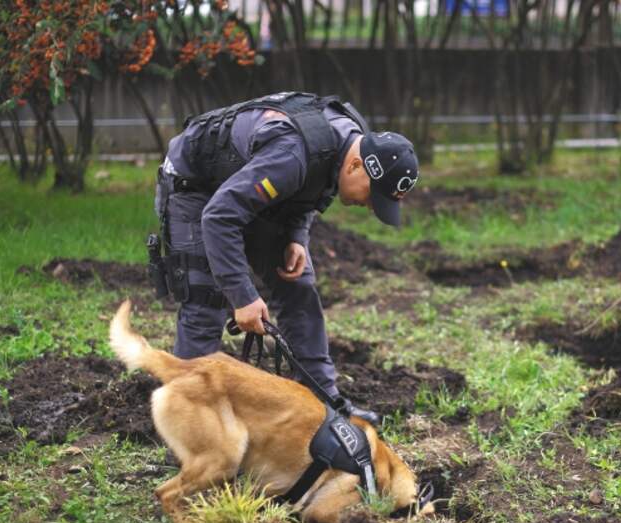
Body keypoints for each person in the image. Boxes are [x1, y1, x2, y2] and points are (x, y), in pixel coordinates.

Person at [150, 92, 419, 424]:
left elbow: (314, 188)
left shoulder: (350, 143)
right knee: (207, 298)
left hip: (245, 183)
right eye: (372, 195)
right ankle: (190, 427)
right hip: (196, 184)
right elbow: (219, 217)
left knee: (298, 285)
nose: (369, 206)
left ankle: (325, 408)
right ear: (355, 164)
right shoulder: (292, 155)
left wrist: (295, 236)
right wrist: (243, 297)